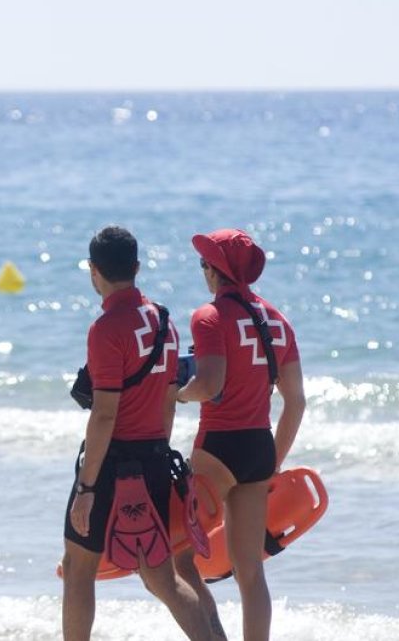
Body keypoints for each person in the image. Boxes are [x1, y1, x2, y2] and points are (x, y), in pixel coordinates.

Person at [62, 226, 214, 641]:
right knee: (160, 578)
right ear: (137, 268)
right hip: (153, 459)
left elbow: (105, 416)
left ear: (94, 271)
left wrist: (87, 487)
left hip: (112, 465)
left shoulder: (107, 328)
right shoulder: (164, 321)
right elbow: (167, 401)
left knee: (78, 569)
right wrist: (157, 454)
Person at [175, 228, 306, 641]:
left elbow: (209, 385)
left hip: (218, 447)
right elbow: (296, 401)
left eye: (203, 265)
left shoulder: (208, 317)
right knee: (250, 572)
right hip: (259, 447)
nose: (203, 273)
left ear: (216, 272)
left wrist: (177, 395)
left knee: (179, 560)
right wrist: (274, 463)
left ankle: (212, 637)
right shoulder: (279, 321)